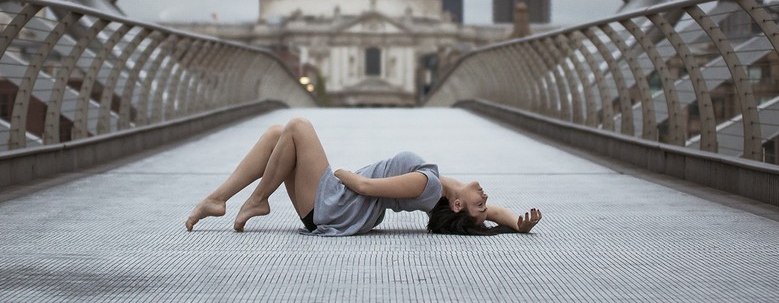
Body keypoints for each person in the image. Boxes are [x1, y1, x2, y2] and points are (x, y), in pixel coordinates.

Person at [184, 117, 542, 236]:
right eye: (486, 202)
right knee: (279, 133)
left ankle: (259, 199)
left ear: (459, 203)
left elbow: (365, 186)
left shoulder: (427, 184)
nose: (486, 196)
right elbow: (489, 216)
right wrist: (516, 223)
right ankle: (218, 199)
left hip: (335, 204)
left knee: (297, 126)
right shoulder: (440, 187)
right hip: (331, 206)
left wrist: (341, 172)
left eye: (480, 202)